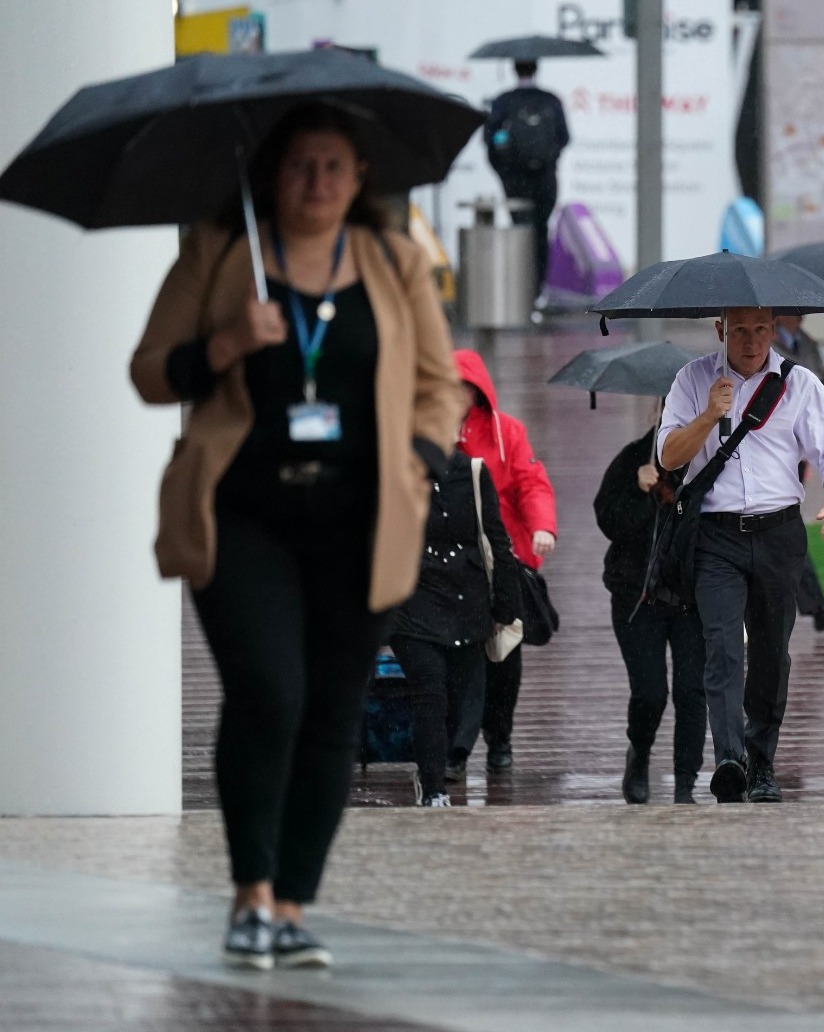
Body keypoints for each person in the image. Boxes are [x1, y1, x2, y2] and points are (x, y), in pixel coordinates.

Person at [129, 104, 464, 968]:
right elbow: (150, 371)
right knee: (270, 693)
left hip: (361, 525)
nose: (316, 182)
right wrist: (227, 343)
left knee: (329, 711)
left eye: (334, 167)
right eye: (299, 166)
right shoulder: (220, 250)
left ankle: (290, 906)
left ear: (360, 180)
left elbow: (441, 385)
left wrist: (420, 463)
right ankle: (248, 895)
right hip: (245, 520)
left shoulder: (393, 260)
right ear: (272, 174)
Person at [658, 307, 824, 803]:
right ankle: (729, 758)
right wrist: (708, 415)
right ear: (721, 329)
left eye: (760, 330)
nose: (750, 341)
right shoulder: (692, 379)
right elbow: (668, 456)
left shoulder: (800, 383)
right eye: (740, 330)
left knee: (771, 655)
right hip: (715, 536)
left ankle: (762, 759)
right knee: (722, 646)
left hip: (778, 533)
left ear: (773, 330)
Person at [391, 451, 521, 807]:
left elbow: (496, 537)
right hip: (412, 601)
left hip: (468, 603)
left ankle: (439, 765)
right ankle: (434, 787)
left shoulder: (474, 472)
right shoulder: (392, 466)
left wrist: (505, 608)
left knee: (460, 698)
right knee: (429, 691)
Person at [453, 349, 557, 777]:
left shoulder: (506, 432)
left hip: (502, 560)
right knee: (455, 656)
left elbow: (531, 483)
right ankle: (454, 745)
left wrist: (542, 527)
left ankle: (500, 737)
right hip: (448, 562)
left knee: (504, 658)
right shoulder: (424, 431)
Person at [595, 423, 708, 804]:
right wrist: (638, 491)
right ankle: (639, 754)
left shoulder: (713, 460)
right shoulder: (634, 459)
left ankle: (685, 784)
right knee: (650, 693)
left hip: (692, 600)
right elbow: (609, 522)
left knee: (692, 692)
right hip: (637, 599)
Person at [774, 314, 824, 634]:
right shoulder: (769, 346)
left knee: (785, 532)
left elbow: (819, 405)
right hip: (774, 451)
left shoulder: (807, 343)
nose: (801, 314)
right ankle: (816, 604)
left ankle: (815, 604)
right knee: (786, 535)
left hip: (796, 453)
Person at [484, 59, 570, 305]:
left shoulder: (503, 101)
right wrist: (546, 161)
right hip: (545, 179)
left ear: (514, 69)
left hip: (516, 181)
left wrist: (505, 172)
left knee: (520, 232)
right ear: (536, 69)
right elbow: (564, 137)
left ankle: (519, 293)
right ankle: (538, 292)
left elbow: (489, 140)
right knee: (541, 232)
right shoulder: (551, 100)